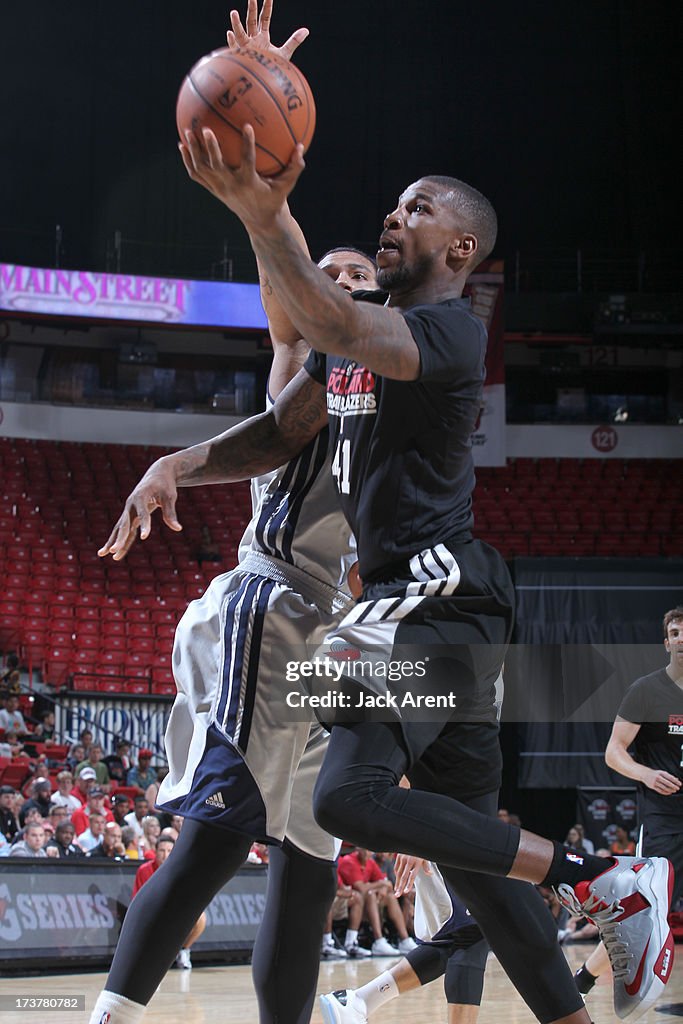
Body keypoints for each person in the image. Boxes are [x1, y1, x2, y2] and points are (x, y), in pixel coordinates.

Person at [90, 23, 378, 1020]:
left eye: (360, 281)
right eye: (329, 277)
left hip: (335, 640)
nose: (342, 285)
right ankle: (111, 1014)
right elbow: (284, 265)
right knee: (215, 838)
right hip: (267, 609)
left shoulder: (393, 376)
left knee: (309, 857)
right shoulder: (304, 360)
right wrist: (270, 184)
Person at [575, 606, 683, 1000]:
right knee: (640, 913)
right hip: (665, 820)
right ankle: (583, 979)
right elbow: (614, 752)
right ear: (666, 642)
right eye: (675, 632)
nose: (681, 638)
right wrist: (645, 773)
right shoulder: (647, 690)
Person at [129, 836, 206, 970]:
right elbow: (137, 899)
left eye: (169, 851)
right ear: (155, 851)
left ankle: (183, 951)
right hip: (152, 914)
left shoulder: (181, 868)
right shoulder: (144, 870)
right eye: (161, 851)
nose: (165, 855)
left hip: (174, 912)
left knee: (201, 918)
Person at [337, 846, 416, 956]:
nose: (367, 853)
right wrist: (380, 885)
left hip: (368, 903)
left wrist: (382, 888)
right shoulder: (349, 861)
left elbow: (387, 884)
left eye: (369, 850)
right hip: (350, 902)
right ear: (357, 849)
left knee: (390, 897)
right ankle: (378, 941)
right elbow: (361, 888)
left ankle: (404, 939)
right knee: (371, 895)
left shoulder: (370, 862)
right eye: (364, 849)